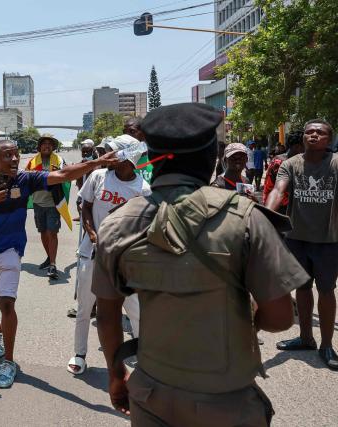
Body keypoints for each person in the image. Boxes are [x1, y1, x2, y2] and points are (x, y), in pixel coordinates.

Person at [93, 102, 308, 423]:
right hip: (227, 399)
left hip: (152, 395)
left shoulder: (117, 223)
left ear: (153, 159)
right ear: (213, 157)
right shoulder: (246, 217)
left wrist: (115, 372)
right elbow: (279, 317)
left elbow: (108, 315)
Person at [0, 140, 119, 388]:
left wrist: (98, 162)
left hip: (10, 252)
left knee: (6, 303)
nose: (15, 160)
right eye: (8, 156)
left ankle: (8, 362)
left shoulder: (25, 179)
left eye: (16, 155)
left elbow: (64, 174)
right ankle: (0, 331)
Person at [67, 137, 150, 376]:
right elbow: (86, 207)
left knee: (135, 308)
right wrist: (92, 234)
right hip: (91, 253)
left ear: (127, 157)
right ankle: (80, 353)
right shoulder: (98, 176)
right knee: (85, 307)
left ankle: (144, 357)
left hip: (123, 259)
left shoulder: (142, 189)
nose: (108, 156)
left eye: (113, 152)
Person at [266, 119, 338, 370]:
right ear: (303, 137)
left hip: (329, 240)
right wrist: (265, 216)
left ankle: (327, 344)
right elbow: (278, 190)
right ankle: (306, 337)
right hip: (298, 238)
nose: (314, 135)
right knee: (303, 288)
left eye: (320, 132)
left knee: (327, 290)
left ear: (329, 138)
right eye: (309, 132)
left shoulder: (336, 163)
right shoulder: (290, 164)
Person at [26, 134, 71, 280]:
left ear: (53, 147)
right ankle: (49, 257)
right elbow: (25, 179)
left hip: (53, 202)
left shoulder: (59, 160)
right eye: (44, 143)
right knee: (43, 232)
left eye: (49, 144)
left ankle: (52, 264)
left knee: (52, 233)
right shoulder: (32, 162)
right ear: (39, 147)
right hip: (38, 202)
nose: (46, 146)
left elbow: (68, 174)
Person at [262, 132, 304, 212]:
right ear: (297, 147)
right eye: (305, 146)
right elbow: (270, 186)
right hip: (280, 207)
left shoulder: (301, 161)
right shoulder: (279, 162)